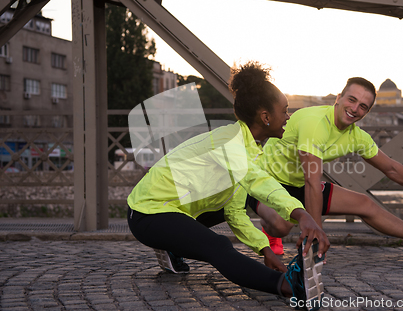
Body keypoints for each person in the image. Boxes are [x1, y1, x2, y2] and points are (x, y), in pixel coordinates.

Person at [127, 61, 330, 302]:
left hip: (174, 209)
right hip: (146, 212)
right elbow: (258, 182)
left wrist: (264, 249)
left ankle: (173, 244)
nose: (288, 116)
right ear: (265, 116)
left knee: (227, 210)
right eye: (285, 110)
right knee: (218, 246)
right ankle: (288, 286)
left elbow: (233, 211)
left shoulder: (248, 149)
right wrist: (301, 214)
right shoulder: (229, 142)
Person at [248, 77, 403, 258]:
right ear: (338, 98)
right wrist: (317, 241)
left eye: (363, 106)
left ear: (366, 112)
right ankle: (270, 231)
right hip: (265, 181)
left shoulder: (357, 137)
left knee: (365, 204)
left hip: (298, 186)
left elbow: (392, 169)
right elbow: (312, 182)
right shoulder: (315, 122)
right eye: (352, 100)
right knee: (282, 225)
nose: (354, 109)